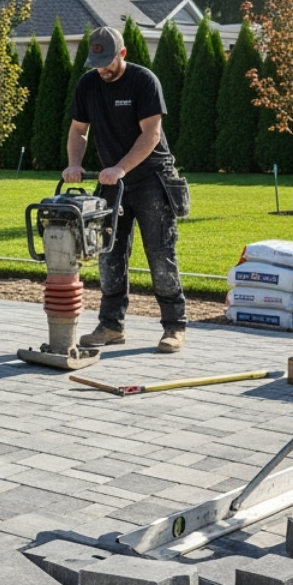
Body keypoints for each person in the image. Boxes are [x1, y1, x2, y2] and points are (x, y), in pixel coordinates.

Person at [64, 25, 189, 353]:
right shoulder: (88, 84)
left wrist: (121, 167)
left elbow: (150, 134)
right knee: (109, 254)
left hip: (152, 179)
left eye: (107, 61)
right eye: (96, 62)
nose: (101, 69)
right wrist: (75, 163)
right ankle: (111, 325)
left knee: (161, 255)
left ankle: (174, 326)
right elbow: (78, 131)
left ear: (122, 54)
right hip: (111, 183)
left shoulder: (143, 81)